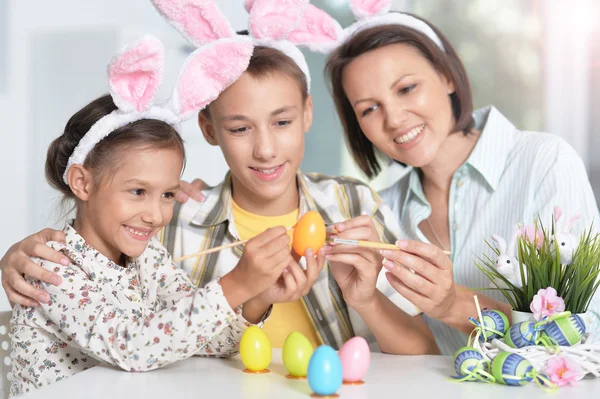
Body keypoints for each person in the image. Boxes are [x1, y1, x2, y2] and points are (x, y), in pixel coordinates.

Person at [3, 0, 438, 356]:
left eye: (282, 122)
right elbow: (138, 335)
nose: (265, 149)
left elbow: (421, 352)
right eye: (239, 128)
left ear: (307, 113)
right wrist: (244, 284)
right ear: (209, 130)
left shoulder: (351, 205)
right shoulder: (168, 223)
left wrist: (362, 298)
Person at [9, 35, 307, 395]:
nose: (155, 214)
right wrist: (238, 283)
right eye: (138, 192)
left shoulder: (149, 258)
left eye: (167, 194)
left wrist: (257, 295)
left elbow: (207, 341)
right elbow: (133, 347)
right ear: (82, 183)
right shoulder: (51, 269)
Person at [321, 3, 600, 354]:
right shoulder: (385, 209)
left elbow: (583, 333)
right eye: (369, 108)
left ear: (447, 76)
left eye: (406, 88)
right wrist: (365, 299)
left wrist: (453, 304)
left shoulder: (543, 164)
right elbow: (416, 357)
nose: (393, 118)